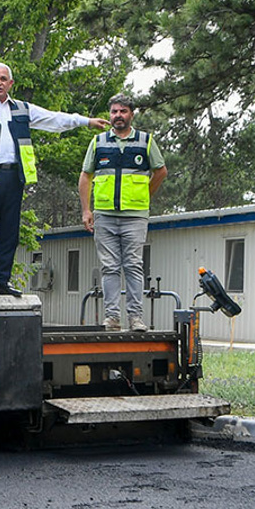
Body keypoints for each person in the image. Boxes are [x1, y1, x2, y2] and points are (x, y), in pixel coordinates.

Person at [0, 64, 108, 295]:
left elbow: (54, 119)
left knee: (10, 231)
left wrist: (86, 121)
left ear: (11, 83)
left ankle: (4, 281)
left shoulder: (22, 109)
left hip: (14, 177)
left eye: (3, 79)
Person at [78, 94, 168, 331]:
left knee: (133, 265)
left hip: (135, 216)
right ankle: (112, 318)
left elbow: (160, 171)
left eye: (123, 111)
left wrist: (145, 195)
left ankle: (136, 318)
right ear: (110, 114)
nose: (118, 116)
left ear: (131, 114)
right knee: (109, 267)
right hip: (105, 215)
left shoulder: (145, 141)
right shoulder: (98, 142)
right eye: (114, 111)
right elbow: (85, 176)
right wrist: (87, 210)